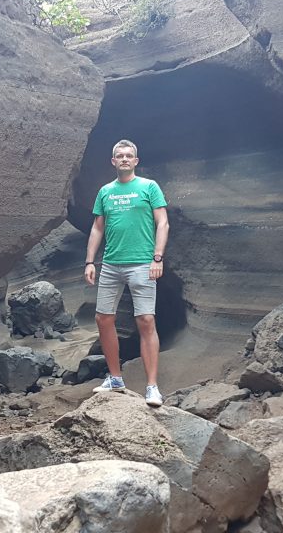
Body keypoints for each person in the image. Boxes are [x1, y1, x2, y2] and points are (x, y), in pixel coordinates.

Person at [84, 139, 169, 407]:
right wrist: (90, 261)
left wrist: (158, 257)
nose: (123, 159)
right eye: (119, 155)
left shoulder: (149, 187)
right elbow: (98, 227)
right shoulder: (105, 192)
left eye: (128, 155)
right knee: (103, 318)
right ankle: (115, 379)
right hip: (110, 264)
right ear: (113, 161)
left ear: (135, 161)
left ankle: (152, 387)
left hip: (142, 263)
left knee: (145, 320)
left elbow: (163, 222)